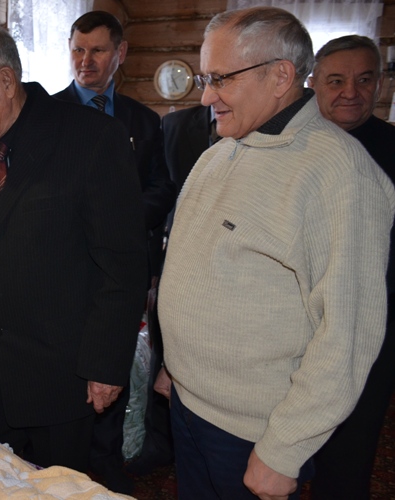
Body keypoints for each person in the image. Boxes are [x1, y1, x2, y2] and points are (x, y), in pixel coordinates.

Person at [158, 7, 395, 500]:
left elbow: (347, 334)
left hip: (254, 432)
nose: (206, 96)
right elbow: (193, 271)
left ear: (281, 76)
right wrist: (174, 366)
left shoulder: (340, 174)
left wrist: (285, 448)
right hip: (188, 404)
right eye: (206, 78)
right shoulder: (219, 152)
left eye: (221, 78)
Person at [0, 24, 149, 477]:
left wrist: (106, 364)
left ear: (6, 81)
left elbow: (122, 265)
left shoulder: (92, 138)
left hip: (65, 379)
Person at [52, 11, 176, 492]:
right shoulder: (48, 114)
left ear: (119, 53)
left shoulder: (143, 121)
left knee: (112, 361)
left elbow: (161, 189)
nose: (85, 61)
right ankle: (64, 461)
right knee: (67, 363)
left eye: (98, 50)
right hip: (65, 267)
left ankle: (106, 463)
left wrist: (117, 222)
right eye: (78, 50)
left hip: (121, 270)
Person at [308, 34, 395, 500]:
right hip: (292, 326)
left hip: (369, 331)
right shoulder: (290, 145)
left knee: (347, 457)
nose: (350, 92)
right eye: (336, 80)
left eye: (364, 80)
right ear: (313, 83)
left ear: (380, 85)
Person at [126, 103, 217, 479]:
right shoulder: (176, 124)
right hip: (175, 254)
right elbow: (167, 192)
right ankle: (163, 442)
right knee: (162, 354)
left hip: (229, 267)